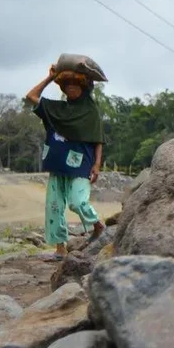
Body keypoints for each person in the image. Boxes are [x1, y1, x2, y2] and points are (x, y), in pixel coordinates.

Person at [25, 64, 106, 261]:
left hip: (80, 165)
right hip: (57, 165)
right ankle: (60, 249)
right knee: (54, 207)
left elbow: (98, 140)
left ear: (84, 87)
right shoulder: (56, 109)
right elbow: (31, 96)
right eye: (67, 83)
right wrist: (49, 78)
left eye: (75, 83)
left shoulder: (90, 112)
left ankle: (98, 226)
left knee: (77, 202)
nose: (70, 87)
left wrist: (96, 165)